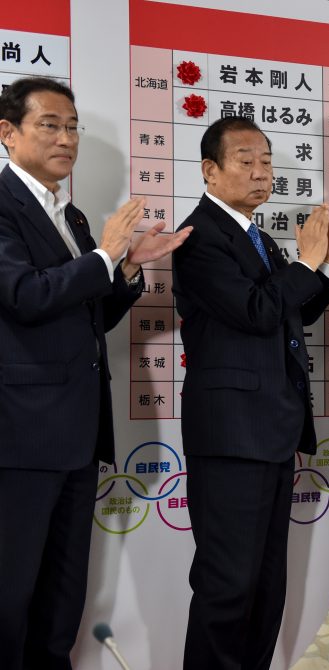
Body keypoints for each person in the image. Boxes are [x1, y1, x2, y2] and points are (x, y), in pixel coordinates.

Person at [0, 76, 189, 669]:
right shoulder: (4, 207)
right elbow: (25, 296)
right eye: (50, 125)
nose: (66, 137)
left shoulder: (73, 216)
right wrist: (105, 256)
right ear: (7, 133)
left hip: (80, 437)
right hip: (20, 438)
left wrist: (127, 268)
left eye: (73, 126)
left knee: (63, 597)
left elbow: (86, 317)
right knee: (8, 598)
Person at [172, 116, 329, 669]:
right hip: (230, 436)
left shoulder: (260, 238)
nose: (260, 172)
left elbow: (294, 311)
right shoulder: (200, 237)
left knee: (266, 586)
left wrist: (323, 261)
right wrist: (302, 264)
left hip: (271, 432)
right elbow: (257, 311)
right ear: (211, 170)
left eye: (267, 161)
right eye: (246, 161)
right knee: (228, 586)